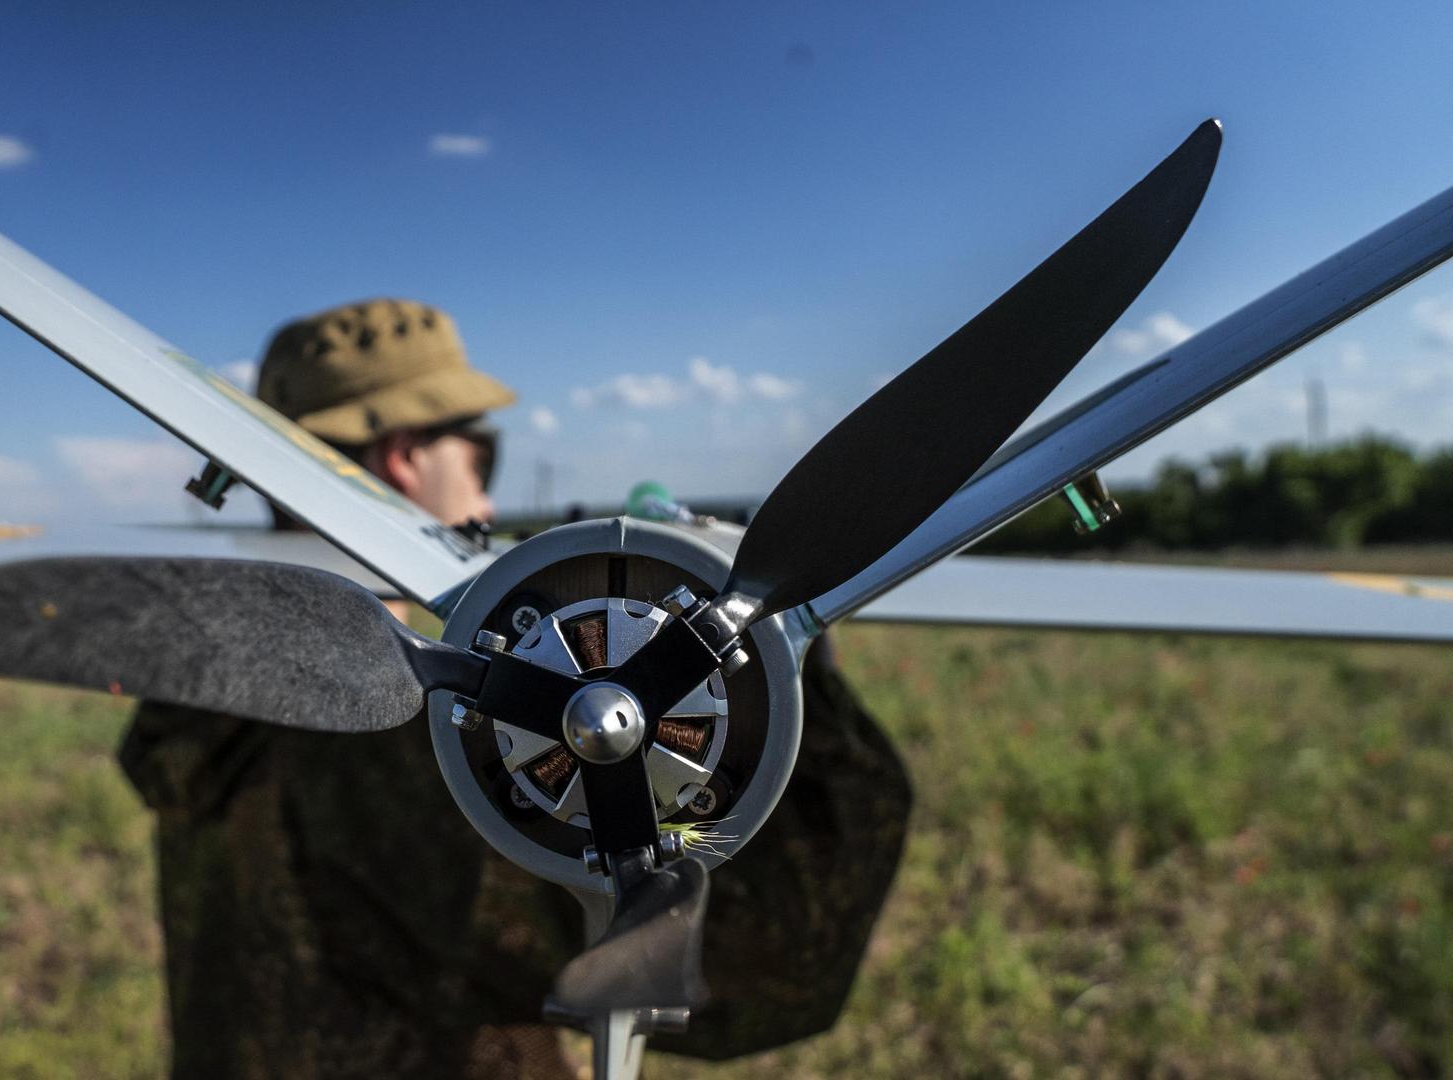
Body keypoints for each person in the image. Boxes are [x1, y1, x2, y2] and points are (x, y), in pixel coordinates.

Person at [118, 298, 911, 1079]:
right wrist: (783, 653)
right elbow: (770, 969)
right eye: (479, 457)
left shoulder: (212, 683)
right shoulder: (422, 750)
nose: (489, 501)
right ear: (403, 457)